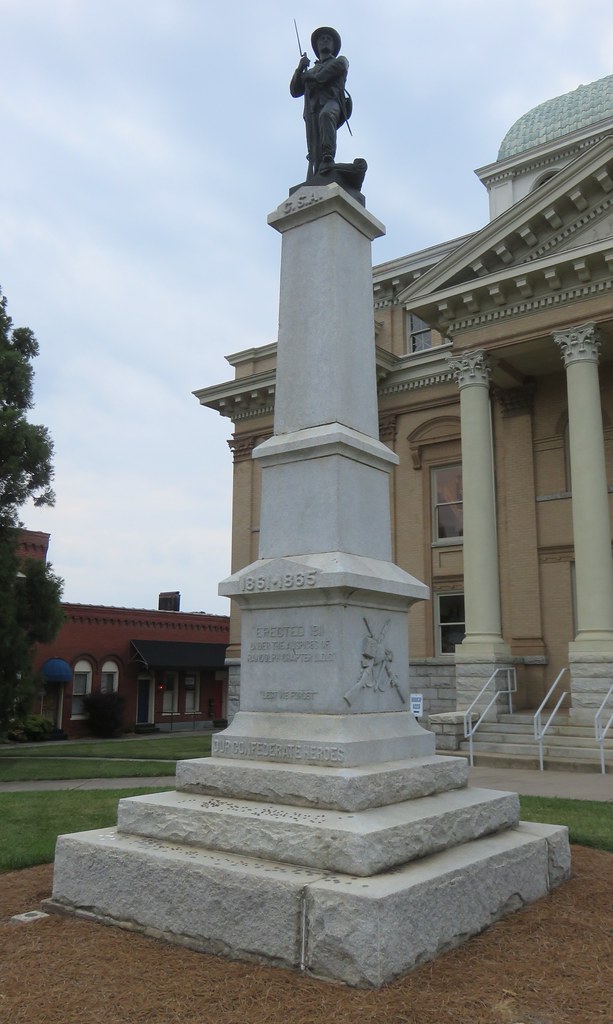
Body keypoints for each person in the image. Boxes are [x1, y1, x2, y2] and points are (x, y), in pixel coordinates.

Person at [290, 26, 350, 179]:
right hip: (311, 111)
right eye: (321, 39)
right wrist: (299, 69)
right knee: (313, 147)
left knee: (326, 115)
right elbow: (295, 91)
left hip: (333, 103)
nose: (324, 40)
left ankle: (328, 156)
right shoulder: (310, 71)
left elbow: (332, 71)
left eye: (328, 38)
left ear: (334, 45)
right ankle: (318, 173)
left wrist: (313, 77)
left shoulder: (340, 61)